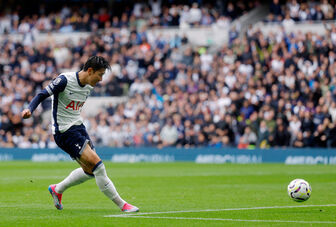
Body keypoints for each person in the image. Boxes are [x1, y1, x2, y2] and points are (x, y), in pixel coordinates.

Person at [21, 56, 139, 212]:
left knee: (90, 172)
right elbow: (42, 94)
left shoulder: (89, 85)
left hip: (78, 127)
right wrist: (30, 109)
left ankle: (57, 189)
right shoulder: (64, 80)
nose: (101, 79)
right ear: (90, 71)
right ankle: (122, 205)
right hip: (64, 131)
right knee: (98, 167)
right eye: (100, 74)